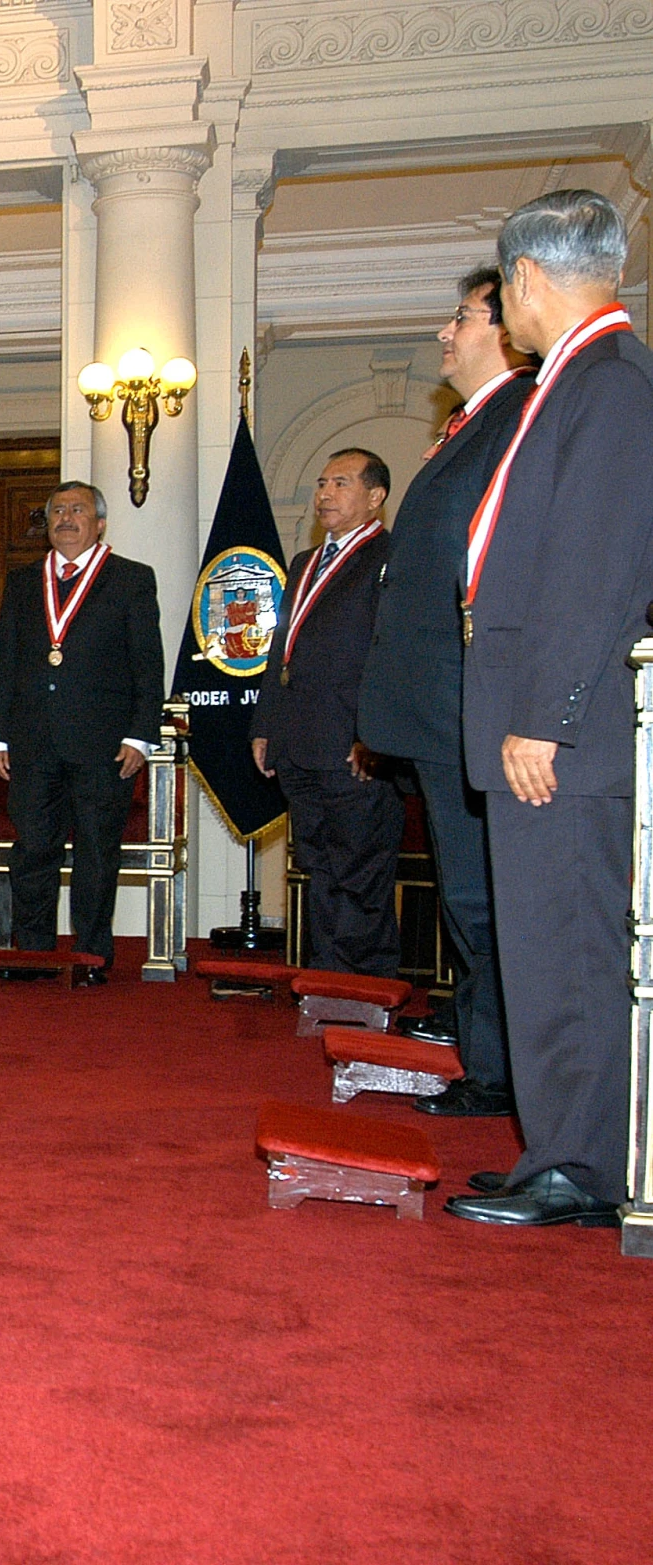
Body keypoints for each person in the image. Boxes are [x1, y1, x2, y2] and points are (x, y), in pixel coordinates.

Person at [444, 189, 653, 1229]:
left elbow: (593, 570)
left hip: (558, 733)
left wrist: (547, 713)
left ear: (524, 279)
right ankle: (555, 1147)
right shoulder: (574, 381)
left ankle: (579, 1163)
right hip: (538, 721)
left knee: (566, 942)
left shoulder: (608, 385)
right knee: (539, 939)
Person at [356, 269, 536, 1117]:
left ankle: (503, 1074)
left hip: (473, 705)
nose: (444, 333)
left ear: (506, 327)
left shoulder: (521, 417)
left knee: (484, 899)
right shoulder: (477, 423)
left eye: (460, 317)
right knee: (470, 899)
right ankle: (489, 1057)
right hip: (440, 710)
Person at [0, 482, 164, 978]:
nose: (66, 518)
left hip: (104, 744)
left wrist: (141, 735)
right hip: (32, 743)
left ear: (100, 522)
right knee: (33, 848)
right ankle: (35, 953)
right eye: (57, 511)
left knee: (97, 852)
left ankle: (90, 954)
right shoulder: (23, 582)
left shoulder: (130, 579)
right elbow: (5, 662)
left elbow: (149, 665)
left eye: (77, 510)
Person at [251, 450, 402, 978]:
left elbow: (394, 655)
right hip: (299, 741)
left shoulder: (392, 556)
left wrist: (376, 736)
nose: (325, 494)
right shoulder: (305, 563)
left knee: (360, 874)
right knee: (319, 869)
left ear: (375, 496)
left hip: (355, 747)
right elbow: (282, 650)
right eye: (320, 483)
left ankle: (367, 988)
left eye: (340, 483)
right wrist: (266, 725)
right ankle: (328, 980)